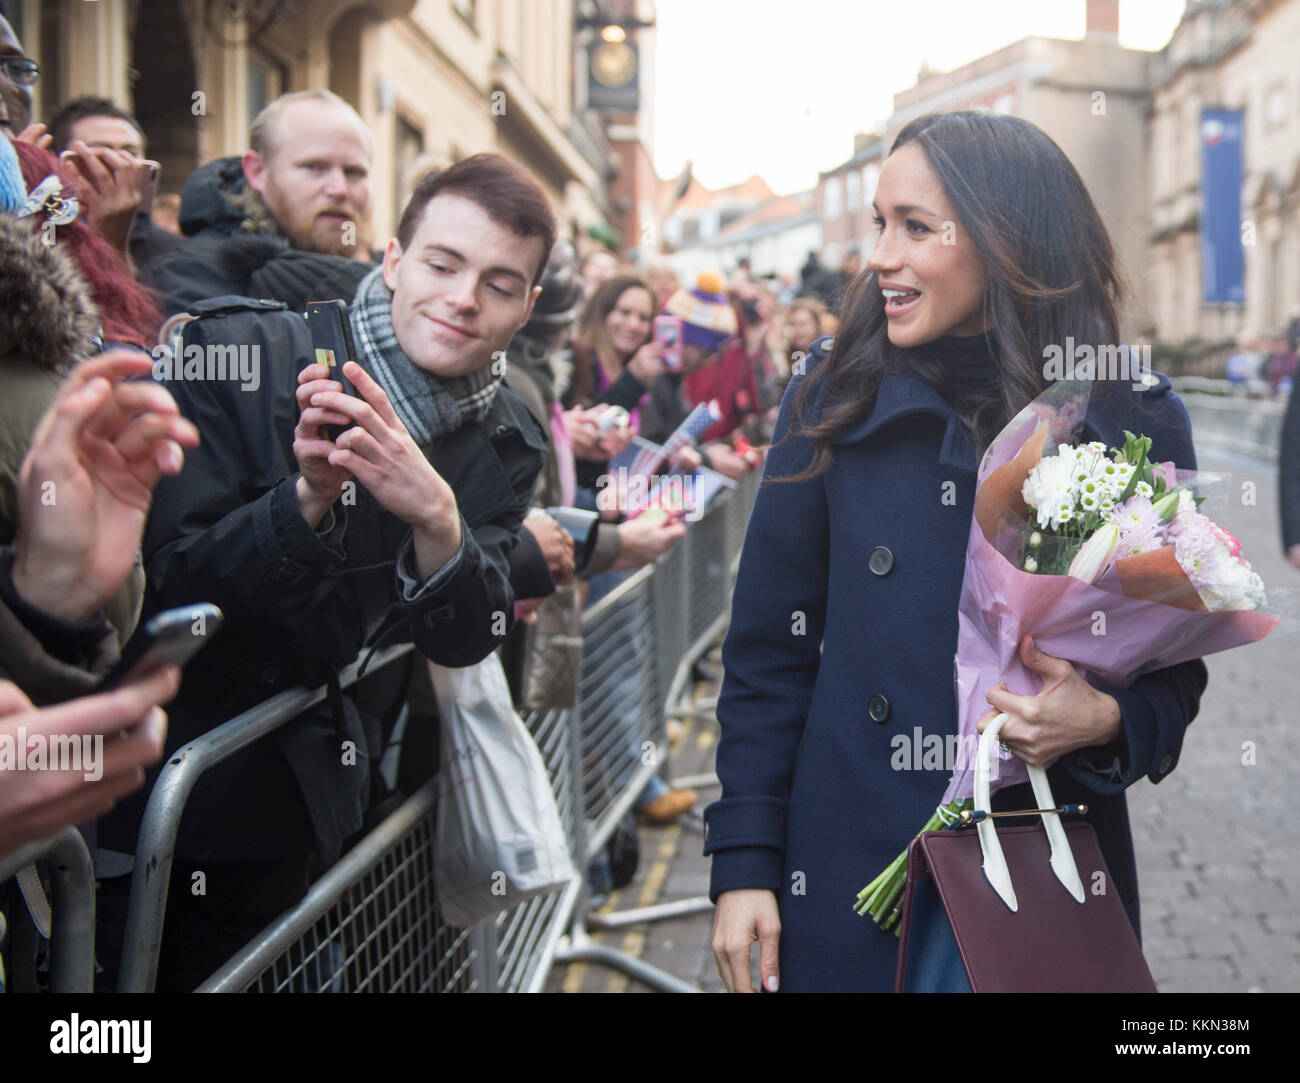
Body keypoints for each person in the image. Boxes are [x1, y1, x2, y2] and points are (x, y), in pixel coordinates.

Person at [705, 111, 1208, 993]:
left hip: (1039, 864)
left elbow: (1175, 667)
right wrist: (744, 860)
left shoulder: (1129, 411)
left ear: (1008, 243)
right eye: (878, 223)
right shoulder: (832, 390)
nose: (880, 258)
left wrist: (1106, 721)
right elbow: (767, 654)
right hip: (846, 861)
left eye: (916, 228)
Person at [95, 152, 552, 990]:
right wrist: (303, 500)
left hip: (319, 803)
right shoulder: (238, 353)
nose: (460, 298)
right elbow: (165, 589)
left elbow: (465, 636)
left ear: (525, 307)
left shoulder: (509, 435)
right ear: (392, 259)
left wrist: (438, 517)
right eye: (443, 264)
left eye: (497, 283)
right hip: (168, 804)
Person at [141, 89, 375, 315]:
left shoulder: (394, 275)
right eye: (313, 168)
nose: (339, 189)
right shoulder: (194, 278)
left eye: (354, 172)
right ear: (257, 171)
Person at [45, 96, 183, 269]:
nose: (120, 163)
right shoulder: (43, 238)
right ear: (60, 161)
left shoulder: (175, 255)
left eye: (130, 152)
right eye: (101, 153)